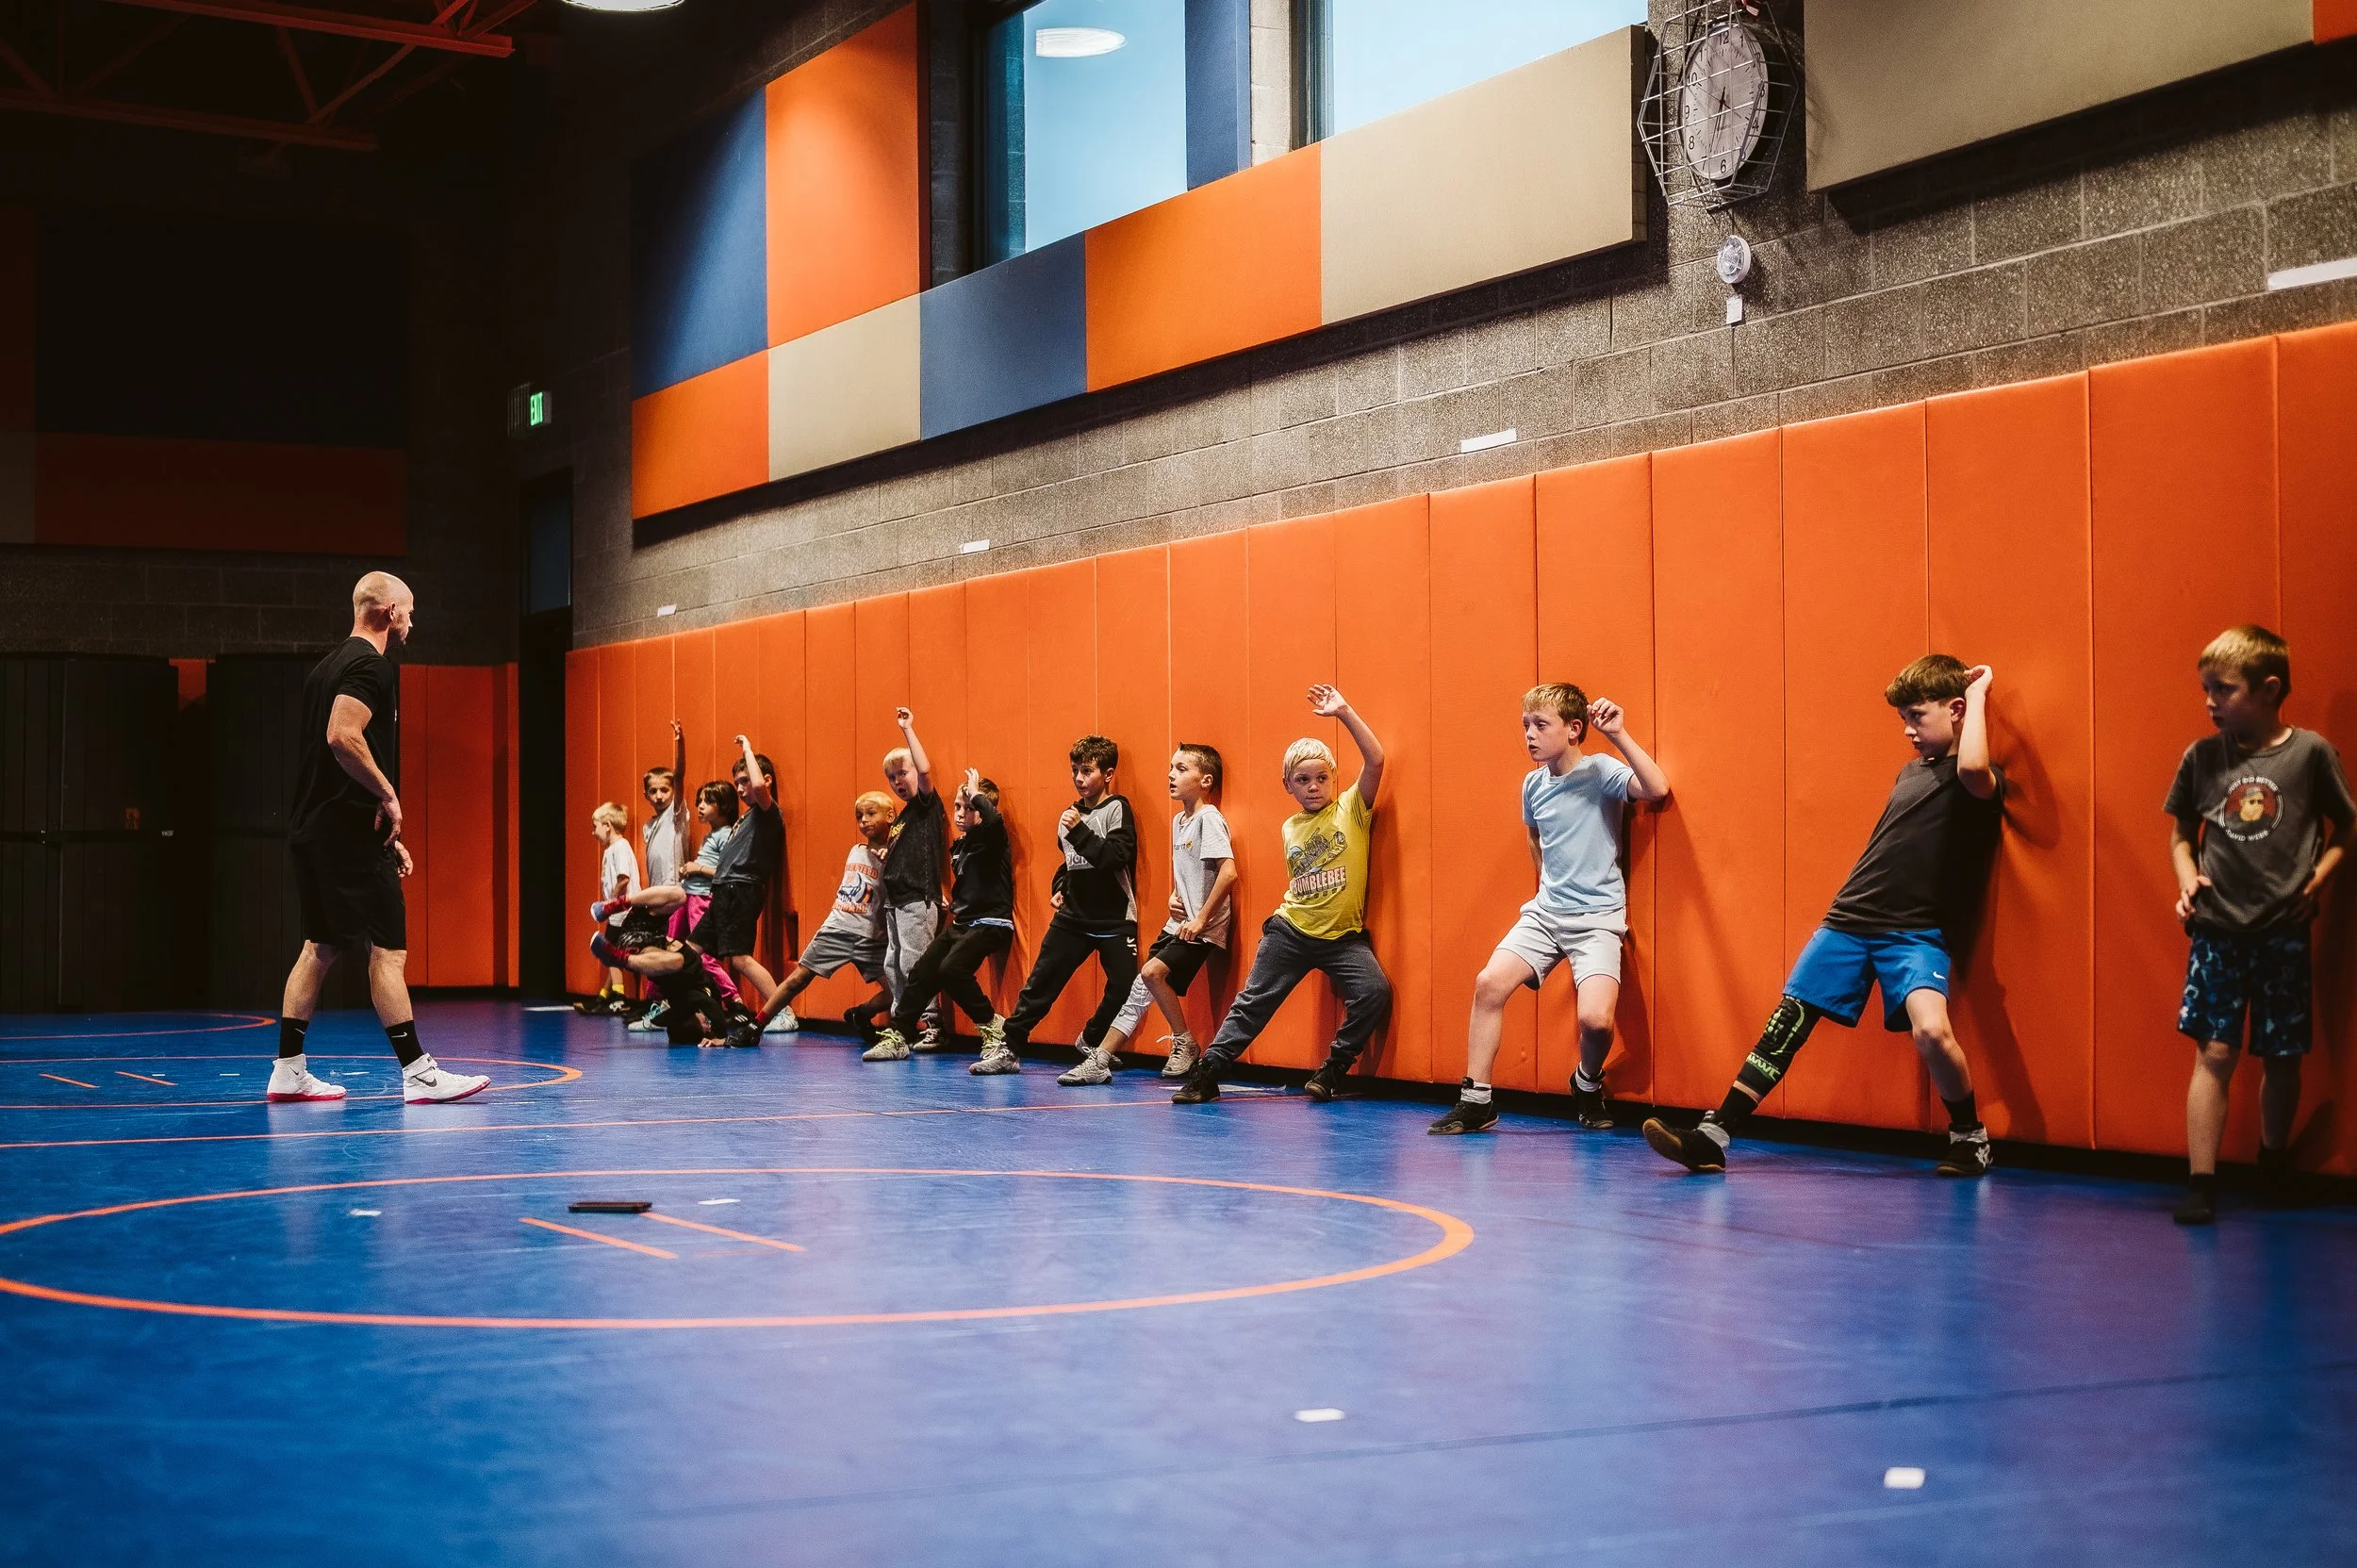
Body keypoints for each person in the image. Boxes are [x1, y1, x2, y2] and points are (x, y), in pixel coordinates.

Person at [1642, 656, 2003, 1178]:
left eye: (1917, 717)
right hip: (1849, 920)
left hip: (1914, 934)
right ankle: (1713, 1135)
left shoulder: (1981, 779)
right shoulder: (1909, 774)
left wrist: (1982, 694)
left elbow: (1972, 767)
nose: (1907, 730)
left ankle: (1970, 1138)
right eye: (1902, 717)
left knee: (1932, 1033)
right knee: (1786, 1024)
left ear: (1957, 711)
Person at [268, 570, 488, 1105]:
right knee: (388, 952)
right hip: (347, 836)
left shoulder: (326, 667)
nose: (413, 619)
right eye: (409, 610)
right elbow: (342, 736)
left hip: (315, 832)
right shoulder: (372, 664)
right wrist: (389, 798)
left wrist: (381, 825)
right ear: (390, 612)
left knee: (318, 947)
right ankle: (418, 1073)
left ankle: (288, 1070)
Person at [2167, 625, 2353, 1225]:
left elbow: (2344, 829)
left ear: (2270, 690)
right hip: (2219, 929)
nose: (2210, 701)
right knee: (2215, 1051)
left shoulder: (2310, 754)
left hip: (2282, 930)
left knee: (2281, 1055)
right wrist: (2186, 877)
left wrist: (2317, 881)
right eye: (2206, 689)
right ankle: (2201, 1180)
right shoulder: (2202, 756)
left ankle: (2274, 1161)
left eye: (2224, 690)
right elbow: (2180, 837)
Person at [1430, 685, 1670, 1134]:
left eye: (1541, 725)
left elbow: (1656, 788)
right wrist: (1546, 888)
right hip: (1545, 915)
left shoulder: (1600, 771)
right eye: (1526, 726)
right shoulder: (1533, 783)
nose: (1530, 735)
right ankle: (1476, 1099)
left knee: (1596, 1022)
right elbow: (1535, 837)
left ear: (1574, 729)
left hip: (1597, 921)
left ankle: (1586, 1082)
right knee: (1488, 984)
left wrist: (1617, 733)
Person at [1173, 685, 1391, 1106]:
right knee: (1253, 1003)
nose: (1314, 787)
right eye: (1303, 780)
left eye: (1321, 778)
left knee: (1375, 991)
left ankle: (1332, 1070)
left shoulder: (1350, 809)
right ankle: (1208, 1072)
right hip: (1291, 930)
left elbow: (1377, 759)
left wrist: (1344, 712)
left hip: (1343, 938)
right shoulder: (1290, 827)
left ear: (1334, 779)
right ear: (1288, 785)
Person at [1061, 744, 1235, 1087]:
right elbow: (1188, 873)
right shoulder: (1178, 821)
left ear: (1206, 780)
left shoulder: (1209, 818)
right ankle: (1101, 1058)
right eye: (1171, 767)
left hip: (1200, 929)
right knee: (1139, 989)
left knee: (1152, 973)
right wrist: (1175, 896)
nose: (1171, 774)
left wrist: (1201, 919)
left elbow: (1228, 873)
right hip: (1179, 924)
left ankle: (1184, 1041)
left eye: (1182, 769)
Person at [979, 735, 1137, 1075]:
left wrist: (1080, 832)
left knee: (1126, 986)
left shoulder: (1117, 809)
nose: (1079, 778)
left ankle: (1092, 1038)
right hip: (1074, 918)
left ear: (1108, 775)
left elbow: (1114, 857)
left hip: (1114, 918)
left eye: (1087, 771)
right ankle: (1010, 1048)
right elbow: (1069, 864)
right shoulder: (1069, 816)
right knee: (1040, 985)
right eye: (1075, 771)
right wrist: (1059, 887)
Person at [870, 768, 1015, 1062]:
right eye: (959, 806)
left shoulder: (992, 837)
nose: (962, 813)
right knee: (922, 971)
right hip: (963, 923)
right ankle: (899, 1033)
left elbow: (995, 821)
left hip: (990, 923)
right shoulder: (961, 844)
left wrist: (976, 794)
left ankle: (992, 1026)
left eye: (971, 807)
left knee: (952, 969)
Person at [740, 792, 897, 1045]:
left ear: (890, 816)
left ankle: (862, 1013)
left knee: (897, 992)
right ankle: (756, 1025)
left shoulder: (895, 858)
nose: (864, 821)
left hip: (871, 936)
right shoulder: (856, 850)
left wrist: (891, 860)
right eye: (859, 816)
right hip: (838, 928)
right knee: (798, 978)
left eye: (871, 814)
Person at [867, 708, 946, 1060]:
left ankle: (933, 1025)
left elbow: (926, 771)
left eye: (903, 773)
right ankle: (903, 1025)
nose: (899, 782)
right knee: (893, 964)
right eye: (892, 778)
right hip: (895, 901)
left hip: (917, 898)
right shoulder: (902, 819)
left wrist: (908, 730)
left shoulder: (926, 805)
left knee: (915, 964)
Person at [577, 801, 639, 1016]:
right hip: (618, 913)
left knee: (610, 953)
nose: (593, 833)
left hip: (622, 913)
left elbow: (623, 879)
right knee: (611, 952)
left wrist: (609, 903)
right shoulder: (612, 850)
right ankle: (604, 996)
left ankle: (618, 997)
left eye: (595, 827)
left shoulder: (620, 848)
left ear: (607, 825)